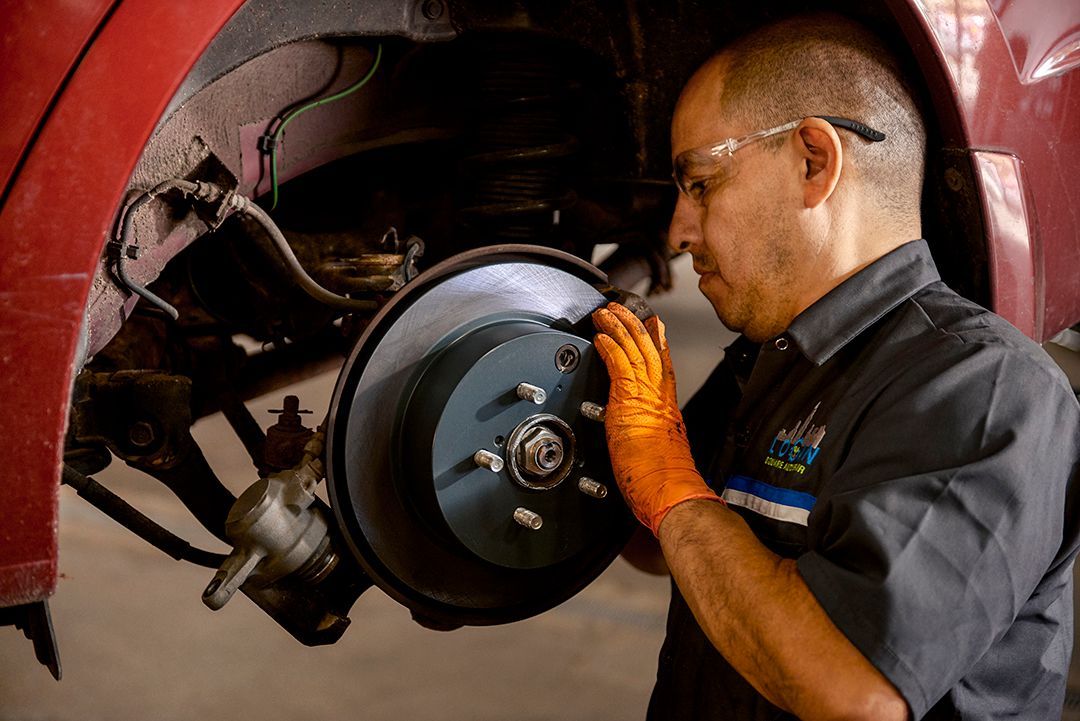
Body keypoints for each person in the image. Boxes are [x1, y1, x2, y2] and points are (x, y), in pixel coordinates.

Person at [591, 13, 1080, 721]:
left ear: (814, 160)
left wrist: (671, 486)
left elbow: (855, 691)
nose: (677, 231)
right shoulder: (765, 359)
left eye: (699, 183)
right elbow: (658, 544)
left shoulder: (986, 388)